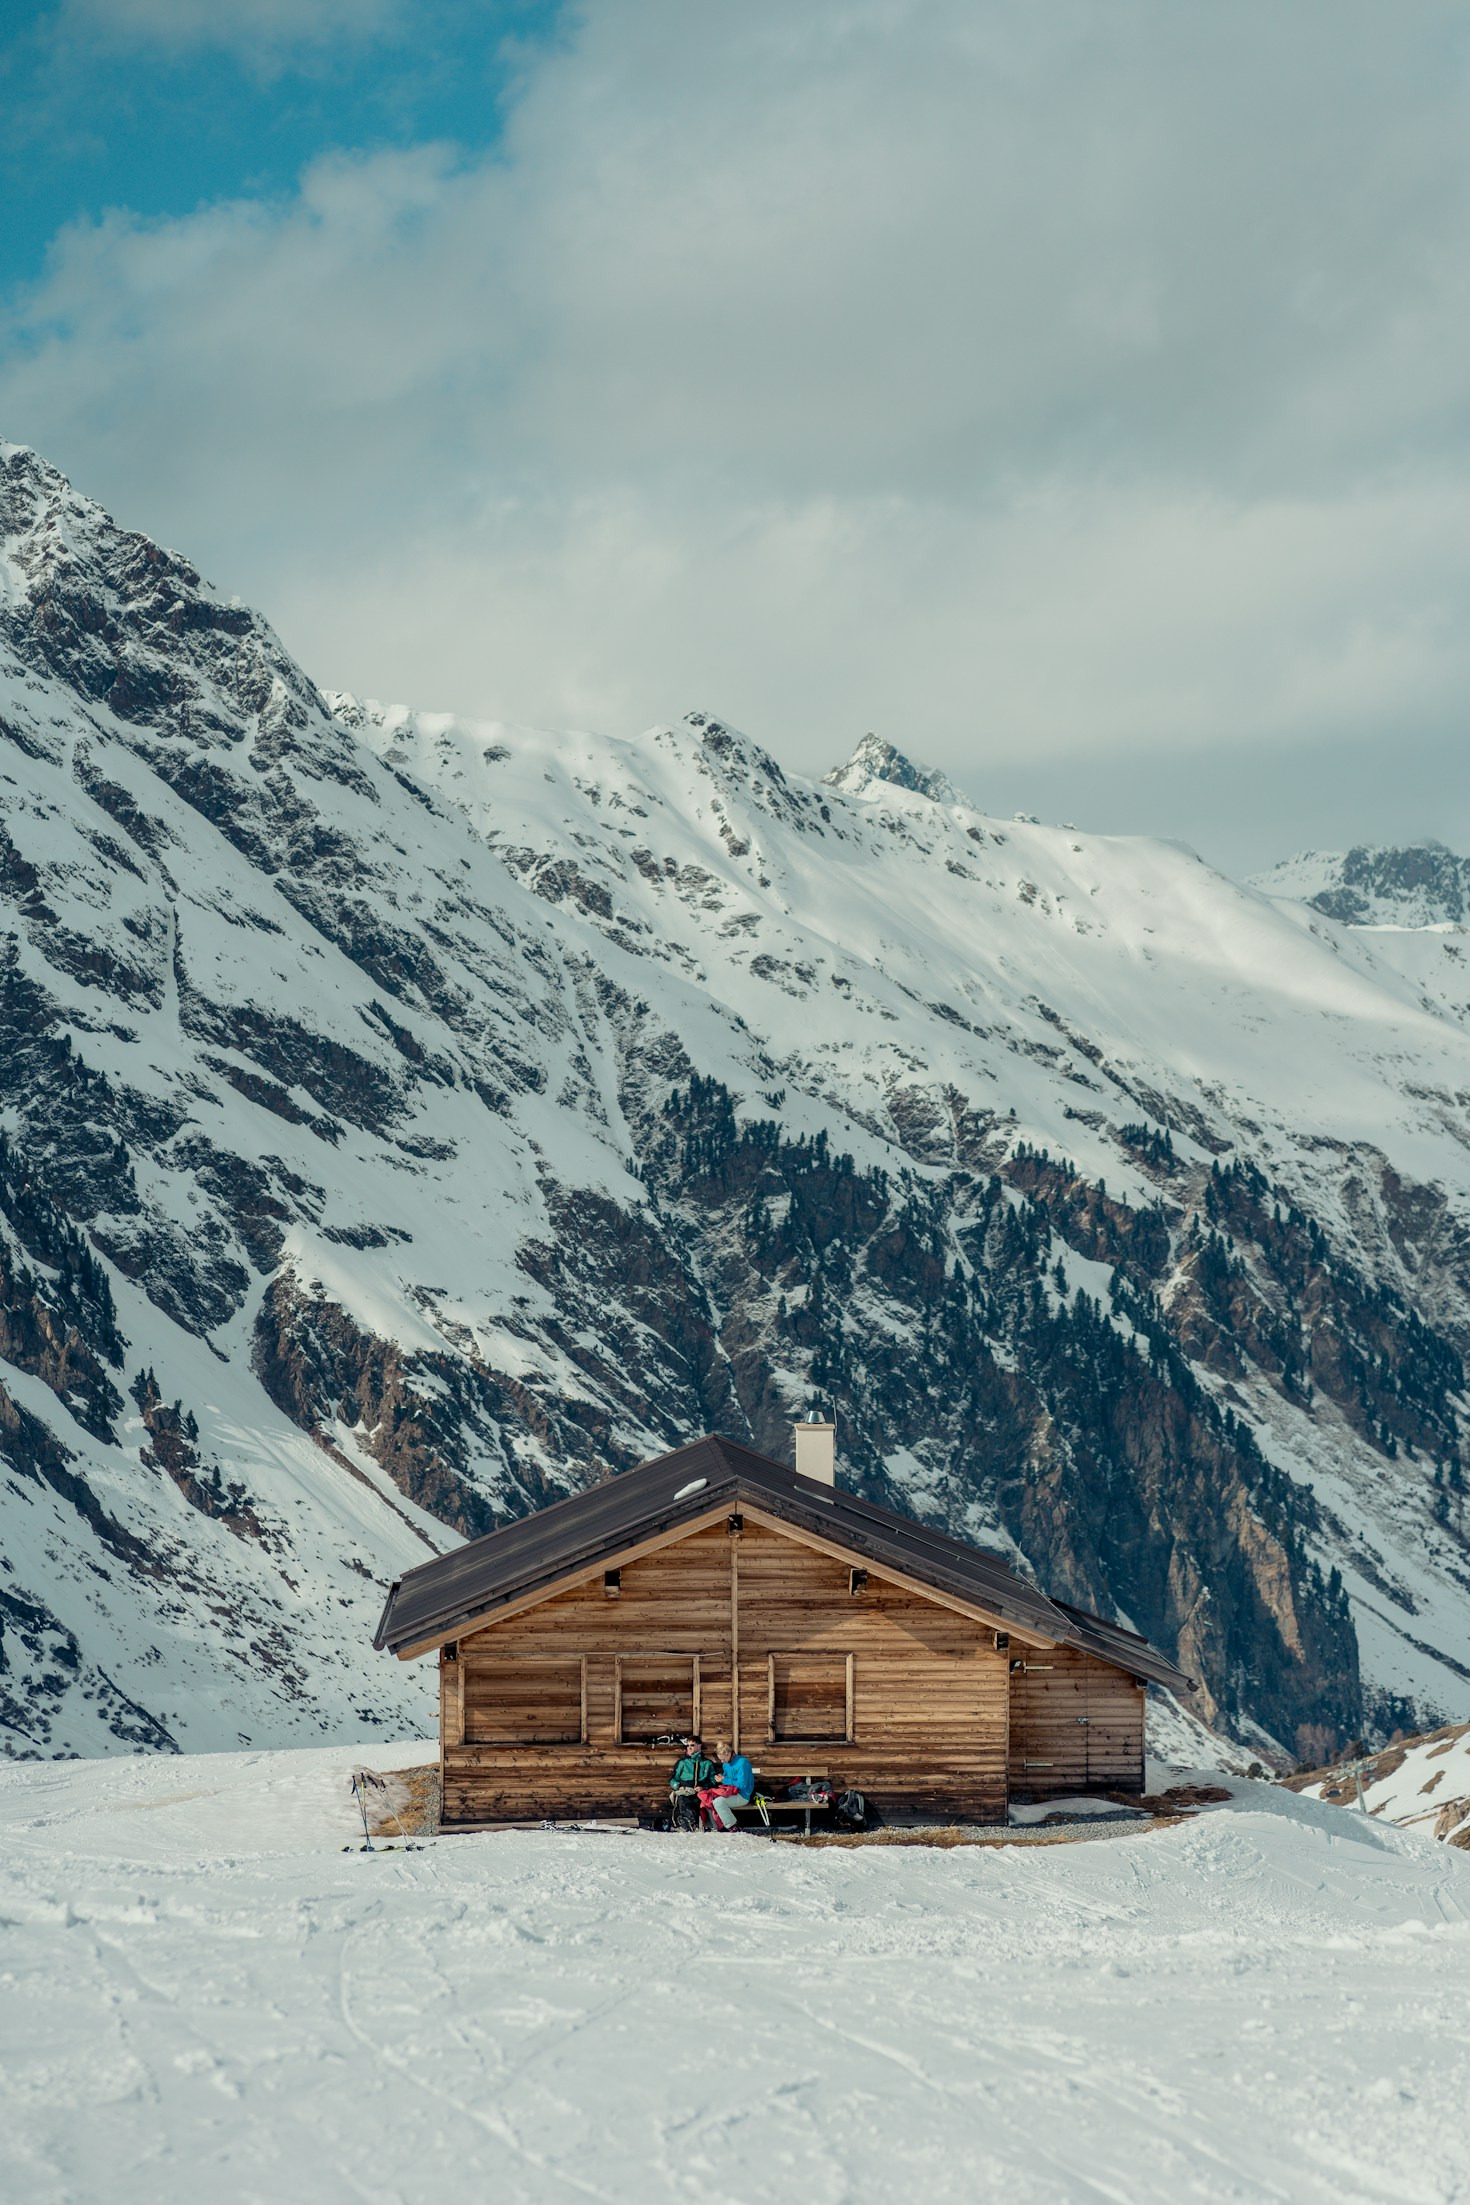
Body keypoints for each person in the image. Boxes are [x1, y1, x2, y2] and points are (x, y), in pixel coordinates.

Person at [698, 1737, 755, 1832]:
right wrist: (721, 1777)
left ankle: (732, 1826)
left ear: (729, 1754)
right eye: (720, 1760)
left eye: (723, 1759)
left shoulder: (742, 1763)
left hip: (743, 1795)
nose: (722, 1762)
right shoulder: (726, 1763)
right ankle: (714, 1824)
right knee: (708, 1798)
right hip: (731, 1792)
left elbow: (742, 1784)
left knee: (718, 1802)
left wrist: (724, 1780)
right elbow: (727, 1776)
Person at [668, 1735, 720, 1831]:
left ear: (699, 1746)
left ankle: (698, 1824)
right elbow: (673, 1779)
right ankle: (689, 1824)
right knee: (685, 1805)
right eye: (687, 1746)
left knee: (702, 1807)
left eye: (692, 1745)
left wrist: (704, 1787)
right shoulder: (682, 1762)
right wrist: (678, 1786)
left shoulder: (707, 1763)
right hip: (686, 1792)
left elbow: (713, 1781)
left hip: (701, 1793)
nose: (689, 1748)